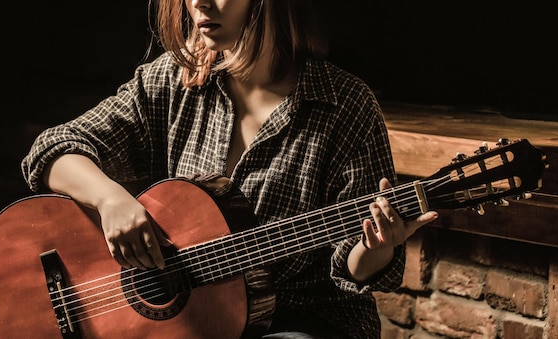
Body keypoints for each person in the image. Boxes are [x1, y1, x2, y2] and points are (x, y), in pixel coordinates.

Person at [21, 0, 438, 337]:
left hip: (306, 322)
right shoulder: (172, 81)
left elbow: (353, 269)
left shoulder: (346, 106)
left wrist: (378, 244)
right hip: (201, 321)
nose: (200, 4)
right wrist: (110, 199)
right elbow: (52, 149)